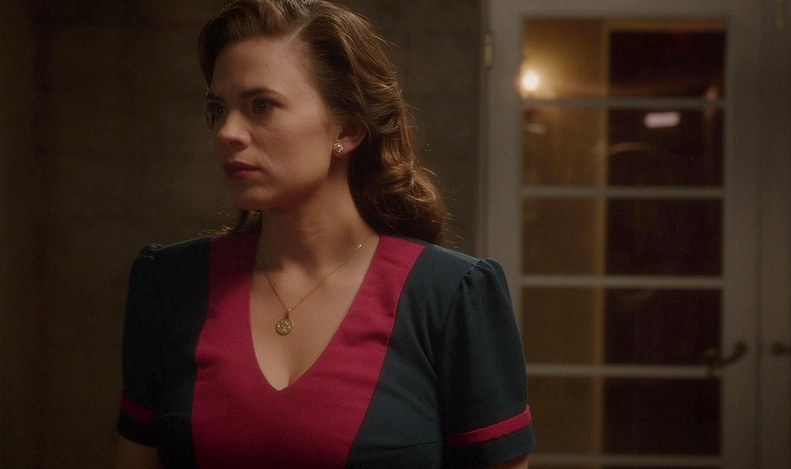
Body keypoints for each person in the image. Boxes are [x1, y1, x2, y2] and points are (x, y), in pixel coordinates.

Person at [114, 0, 534, 467]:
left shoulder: (450, 295)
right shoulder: (170, 283)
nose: (227, 132)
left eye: (261, 106)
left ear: (348, 130)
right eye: (218, 109)